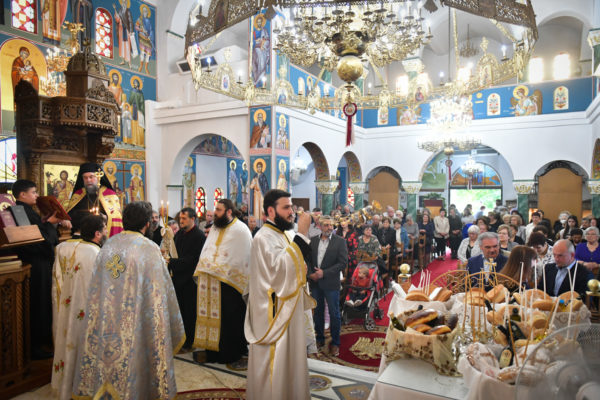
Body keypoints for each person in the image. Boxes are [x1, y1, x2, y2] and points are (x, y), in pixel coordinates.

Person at [71, 202, 185, 399]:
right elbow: (160, 293)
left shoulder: (108, 245)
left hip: (107, 323)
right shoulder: (149, 248)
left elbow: (96, 289)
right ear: (147, 223)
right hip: (135, 323)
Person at [245, 189, 314, 400]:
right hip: (274, 315)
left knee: (291, 360)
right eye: (286, 208)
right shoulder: (263, 238)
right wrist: (302, 234)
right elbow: (279, 272)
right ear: (270, 211)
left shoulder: (285, 234)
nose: (291, 212)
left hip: (288, 310)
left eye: (291, 207)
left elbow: (296, 264)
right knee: (276, 363)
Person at [12, 180, 71, 359]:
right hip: (36, 264)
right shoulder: (20, 212)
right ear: (23, 194)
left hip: (37, 263)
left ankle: (40, 343)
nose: (37, 195)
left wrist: (47, 223)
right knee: (37, 303)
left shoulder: (25, 211)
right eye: (33, 192)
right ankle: (35, 347)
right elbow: (37, 241)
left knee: (41, 302)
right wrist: (50, 224)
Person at [51, 214, 106, 400]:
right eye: (104, 229)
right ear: (97, 234)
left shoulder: (73, 248)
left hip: (71, 309)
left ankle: (67, 385)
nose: (106, 232)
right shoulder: (96, 254)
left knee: (71, 344)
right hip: (88, 312)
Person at [192, 199, 251, 363]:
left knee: (230, 318)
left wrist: (222, 269)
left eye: (219, 210)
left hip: (231, 284)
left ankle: (230, 353)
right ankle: (212, 352)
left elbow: (244, 257)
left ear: (229, 212)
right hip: (211, 282)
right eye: (215, 209)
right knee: (213, 318)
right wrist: (205, 266)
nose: (215, 213)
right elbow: (208, 250)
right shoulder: (215, 228)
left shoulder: (241, 230)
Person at [167, 207, 206, 351]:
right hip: (178, 279)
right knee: (180, 311)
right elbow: (173, 252)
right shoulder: (179, 234)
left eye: (184, 218)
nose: (181, 221)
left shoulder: (199, 236)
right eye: (180, 218)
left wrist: (171, 262)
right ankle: (180, 339)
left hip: (190, 281)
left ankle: (189, 342)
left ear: (192, 219)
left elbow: (193, 260)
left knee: (189, 312)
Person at [308, 216, 347, 357]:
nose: (330, 227)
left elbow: (342, 263)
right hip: (316, 283)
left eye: (331, 225)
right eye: (326, 225)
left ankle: (335, 343)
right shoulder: (313, 241)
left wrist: (324, 273)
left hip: (331, 282)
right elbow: (307, 260)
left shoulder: (340, 241)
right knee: (318, 312)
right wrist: (310, 274)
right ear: (319, 226)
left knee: (334, 313)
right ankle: (320, 339)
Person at [66, 162, 123, 237]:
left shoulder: (109, 194)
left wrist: (105, 218)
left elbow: (115, 217)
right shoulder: (78, 194)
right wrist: (66, 219)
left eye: (91, 177)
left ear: (98, 177)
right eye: (85, 177)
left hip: (102, 236)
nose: (88, 180)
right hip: (81, 235)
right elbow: (69, 214)